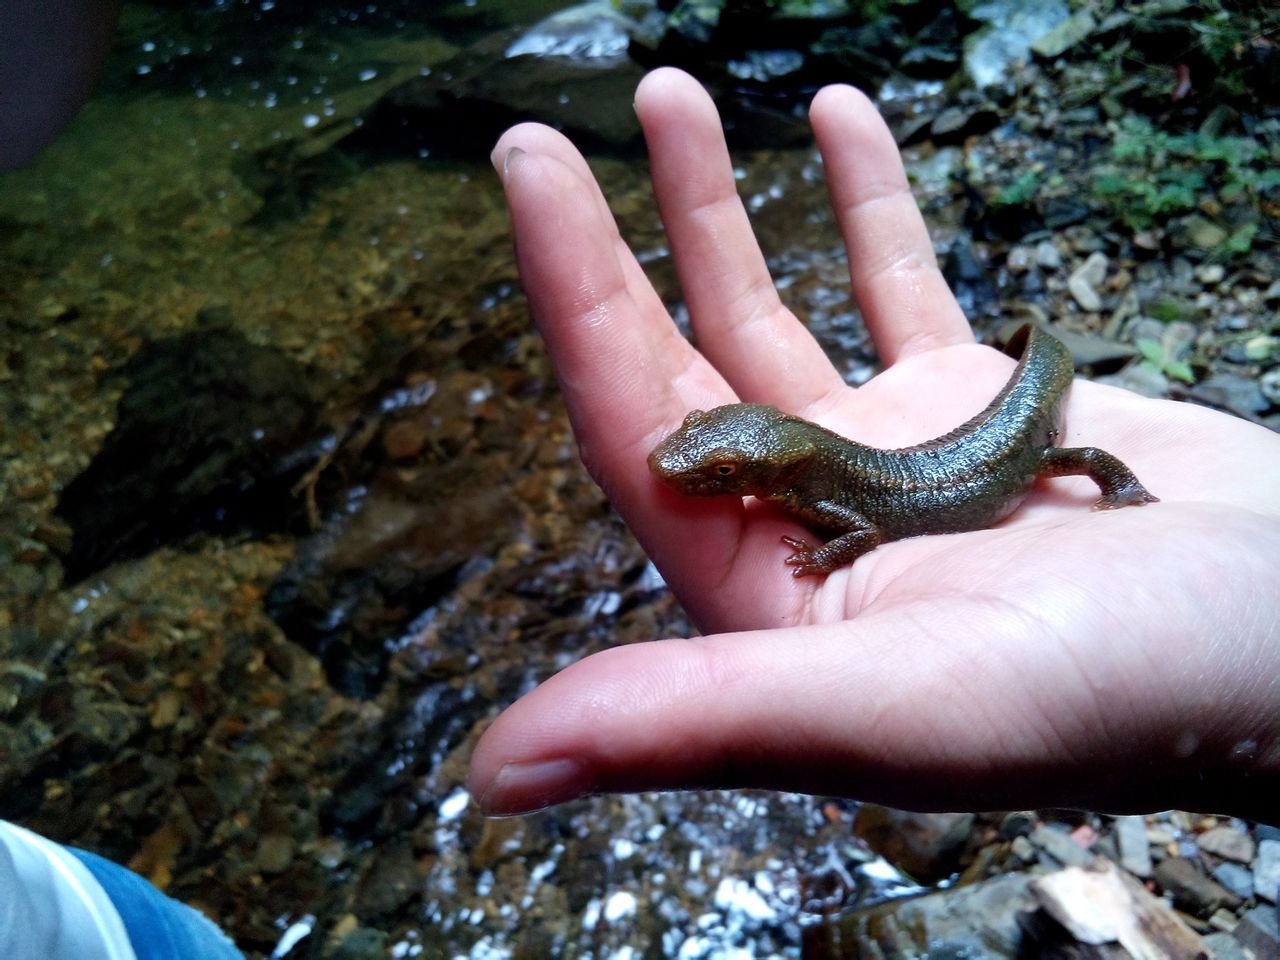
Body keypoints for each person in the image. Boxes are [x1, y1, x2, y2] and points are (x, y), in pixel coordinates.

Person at [468, 68, 1280, 823]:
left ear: (767, 468)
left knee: (1056, 461)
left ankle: (1117, 475)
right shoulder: (796, 468)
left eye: (716, 472)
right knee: (1004, 440)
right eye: (701, 448)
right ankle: (1026, 357)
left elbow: (861, 531)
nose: (686, 471)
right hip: (975, 442)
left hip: (1008, 447)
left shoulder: (815, 491)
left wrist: (821, 561)